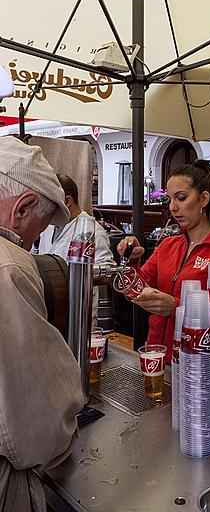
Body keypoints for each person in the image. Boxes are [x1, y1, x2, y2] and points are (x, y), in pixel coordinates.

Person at [0, 136, 84, 511]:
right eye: (40, 226)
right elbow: (38, 426)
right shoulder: (10, 267)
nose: (34, 243)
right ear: (23, 207)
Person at [118, 159, 210, 363]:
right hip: (157, 355)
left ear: (204, 198)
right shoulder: (167, 246)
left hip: (200, 365)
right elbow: (135, 292)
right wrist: (130, 262)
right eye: (169, 199)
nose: (173, 207)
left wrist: (176, 308)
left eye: (181, 198)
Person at [38, 173, 116, 324]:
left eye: (50, 202)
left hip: (77, 315)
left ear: (67, 201)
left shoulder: (92, 230)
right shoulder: (48, 227)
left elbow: (108, 272)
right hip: (49, 310)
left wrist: (70, 276)